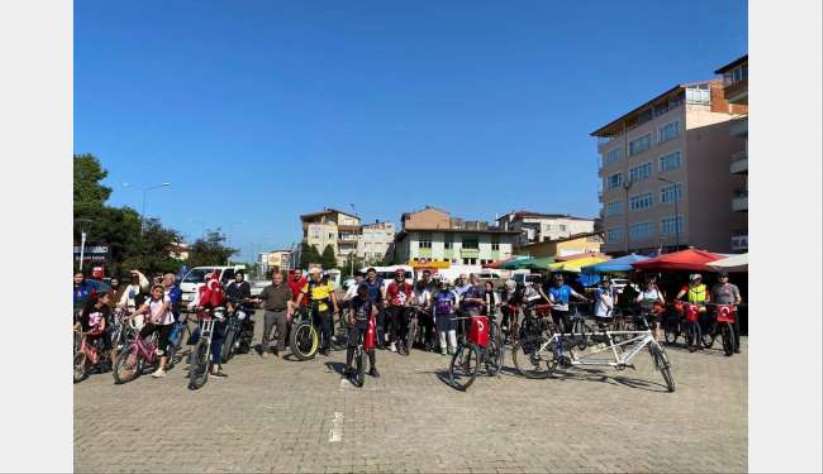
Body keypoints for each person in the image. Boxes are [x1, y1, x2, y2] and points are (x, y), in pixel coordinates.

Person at [187, 271, 228, 377]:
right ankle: (195, 359)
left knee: (216, 341)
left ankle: (215, 367)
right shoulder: (200, 289)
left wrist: (224, 309)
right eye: (207, 279)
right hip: (203, 318)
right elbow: (196, 300)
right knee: (195, 336)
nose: (209, 281)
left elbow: (223, 300)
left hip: (215, 318)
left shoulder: (219, 289)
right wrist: (191, 305)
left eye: (211, 279)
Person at [133, 284, 175, 378]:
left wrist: (155, 318)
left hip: (166, 324)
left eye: (161, 292)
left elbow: (163, 309)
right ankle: (146, 354)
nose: (158, 293)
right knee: (140, 335)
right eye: (156, 291)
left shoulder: (166, 298)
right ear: (153, 291)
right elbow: (141, 309)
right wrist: (130, 316)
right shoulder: (150, 299)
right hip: (154, 322)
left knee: (162, 345)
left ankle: (161, 369)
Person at [295, 267, 339, 356]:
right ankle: (316, 347)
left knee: (326, 329)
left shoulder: (327, 282)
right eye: (310, 275)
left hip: (324, 308)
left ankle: (327, 348)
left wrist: (335, 306)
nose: (310, 276)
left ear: (317, 274)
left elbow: (332, 295)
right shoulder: (309, 284)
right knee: (315, 329)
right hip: (313, 308)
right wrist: (297, 303)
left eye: (312, 274)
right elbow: (302, 293)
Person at [344, 284, 380, 378]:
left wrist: (374, 311)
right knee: (351, 344)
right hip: (356, 324)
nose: (362, 298)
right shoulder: (354, 300)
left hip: (367, 324)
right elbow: (351, 310)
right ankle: (348, 367)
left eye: (364, 296)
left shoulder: (370, 300)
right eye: (361, 296)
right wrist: (351, 318)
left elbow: (375, 310)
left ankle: (373, 368)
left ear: (367, 294)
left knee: (371, 347)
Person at [257, 271, 292, 358]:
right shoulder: (267, 288)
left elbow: (289, 301)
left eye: (278, 278)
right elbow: (261, 299)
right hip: (270, 313)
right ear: (272, 279)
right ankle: (265, 350)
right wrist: (260, 303)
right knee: (267, 332)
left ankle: (280, 350)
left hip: (282, 312)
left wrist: (289, 312)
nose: (276, 280)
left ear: (282, 279)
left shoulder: (286, 289)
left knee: (282, 332)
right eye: (275, 278)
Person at [711, 271, 743, 353]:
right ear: (718, 278)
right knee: (723, 329)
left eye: (724, 277)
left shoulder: (733, 287)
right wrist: (712, 305)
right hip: (720, 310)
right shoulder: (715, 287)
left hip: (732, 310)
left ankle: (736, 347)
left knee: (736, 329)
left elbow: (738, 297)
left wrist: (737, 302)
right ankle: (727, 345)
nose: (722, 278)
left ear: (727, 278)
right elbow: (712, 299)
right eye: (720, 277)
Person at [81, 292, 114, 367]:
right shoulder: (90, 306)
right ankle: (88, 363)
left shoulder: (106, 308)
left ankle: (114, 364)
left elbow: (103, 320)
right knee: (87, 345)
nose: (108, 300)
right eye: (107, 297)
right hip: (89, 331)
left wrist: (101, 328)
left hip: (101, 330)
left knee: (109, 347)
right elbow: (83, 318)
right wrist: (84, 329)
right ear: (100, 299)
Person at [385, 268, 414, 353]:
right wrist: (391, 300)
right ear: (395, 276)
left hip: (405, 306)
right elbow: (388, 295)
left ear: (404, 276)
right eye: (398, 275)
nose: (400, 276)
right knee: (394, 324)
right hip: (395, 306)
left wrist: (408, 302)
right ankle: (393, 342)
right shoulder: (391, 285)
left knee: (405, 322)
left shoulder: (408, 285)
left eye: (402, 275)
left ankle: (401, 339)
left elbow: (411, 295)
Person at [432, 278, 459, 355]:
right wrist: (434, 316)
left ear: (447, 285)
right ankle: (443, 348)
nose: (443, 285)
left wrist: (455, 306)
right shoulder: (436, 293)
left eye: (444, 284)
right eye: (441, 284)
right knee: (442, 333)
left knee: (451, 333)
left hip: (450, 315)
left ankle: (453, 348)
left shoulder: (453, 293)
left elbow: (457, 304)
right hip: (440, 315)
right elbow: (434, 305)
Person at [636, 275, 666, 341]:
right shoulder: (643, 292)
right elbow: (638, 300)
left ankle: (656, 342)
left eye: (652, 284)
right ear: (646, 285)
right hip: (646, 311)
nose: (651, 285)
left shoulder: (657, 292)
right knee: (649, 328)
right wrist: (643, 300)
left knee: (657, 326)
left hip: (656, 311)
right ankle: (652, 340)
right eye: (649, 284)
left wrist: (657, 301)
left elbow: (663, 301)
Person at [413, 276, 434, 350]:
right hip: (416, 307)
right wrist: (414, 304)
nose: (420, 286)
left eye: (422, 285)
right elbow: (413, 298)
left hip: (424, 308)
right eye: (419, 284)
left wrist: (426, 307)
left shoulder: (426, 291)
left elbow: (428, 302)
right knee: (415, 324)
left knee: (428, 324)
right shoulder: (415, 290)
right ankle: (414, 339)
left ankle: (427, 341)